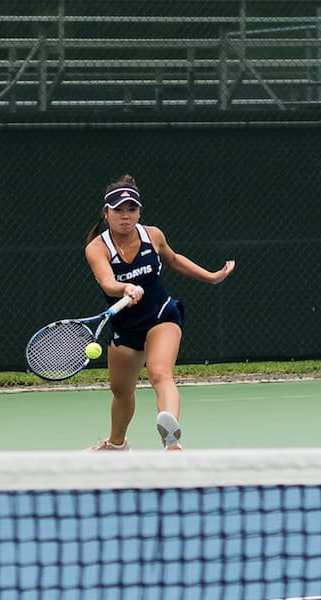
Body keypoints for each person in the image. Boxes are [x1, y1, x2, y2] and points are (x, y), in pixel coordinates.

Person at [83, 175, 235, 451]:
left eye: (132, 210)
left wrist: (211, 277)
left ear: (139, 211)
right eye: (118, 210)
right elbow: (107, 282)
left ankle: (172, 442)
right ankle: (116, 445)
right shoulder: (96, 248)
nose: (126, 216)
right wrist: (125, 287)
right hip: (125, 327)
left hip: (161, 315)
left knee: (160, 373)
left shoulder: (152, 235)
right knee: (121, 391)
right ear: (106, 213)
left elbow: (174, 260)